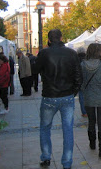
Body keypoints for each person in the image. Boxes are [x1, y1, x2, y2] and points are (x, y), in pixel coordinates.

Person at [33, 29, 82, 169]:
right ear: (61, 38)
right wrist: (73, 92)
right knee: (67, 129)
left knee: (45, 127)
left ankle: (46, 157)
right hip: (67, 96)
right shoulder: (71, 53)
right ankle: (67, 162)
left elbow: (34, 70)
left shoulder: (44, 53)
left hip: (49, 96)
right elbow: (79, 76)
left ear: (49, 39)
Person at [81, 43, 101, 159]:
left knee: (91, 121)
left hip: (89, 96)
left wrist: (85, 90)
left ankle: (92, 143)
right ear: (98, 51)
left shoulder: (83, 64)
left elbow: (81, 82)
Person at [77, 47, 87, 118]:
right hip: (88, 80)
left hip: (80, 81)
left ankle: (84, 112)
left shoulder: (75, 59)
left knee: (81, 97)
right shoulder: (87, 59)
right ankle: (89, 110)